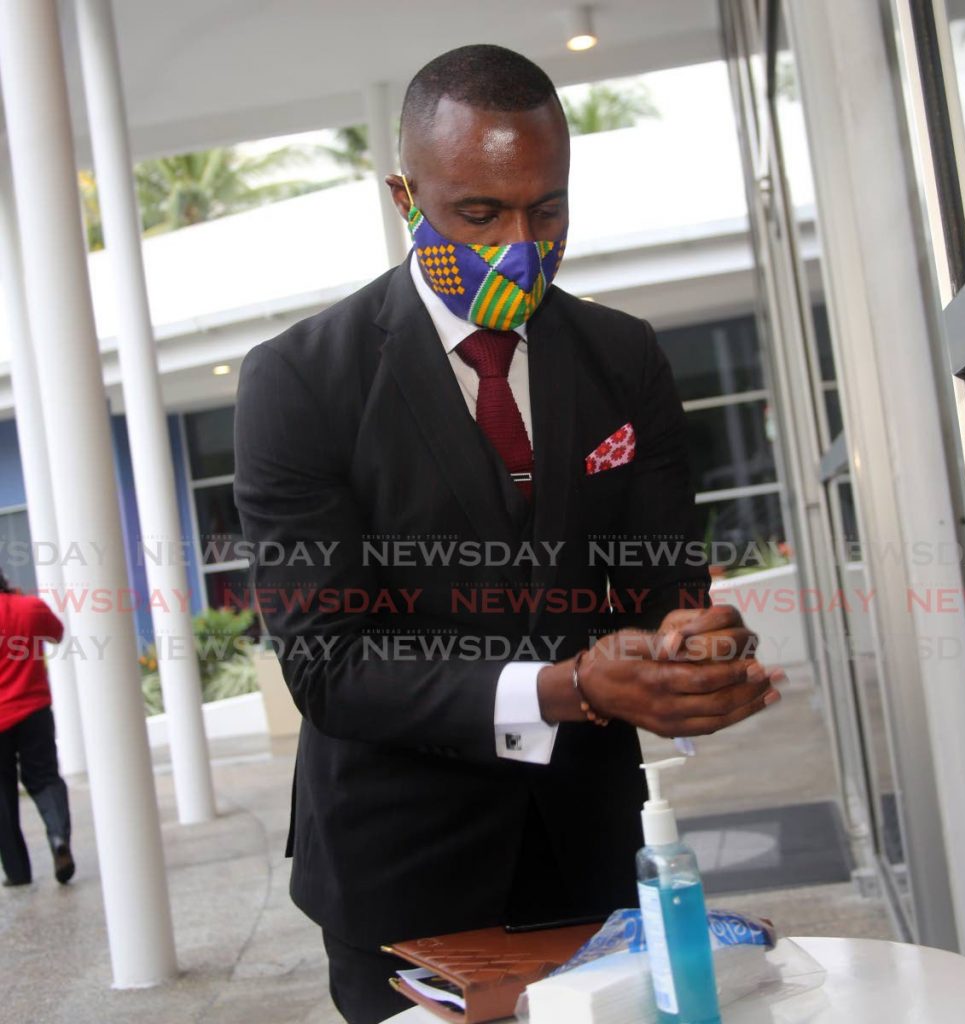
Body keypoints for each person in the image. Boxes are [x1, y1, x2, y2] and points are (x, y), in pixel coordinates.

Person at [233, 44, 782, 1024]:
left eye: (548, 208)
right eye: (479, 213)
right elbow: (327, 661)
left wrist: (692, 642)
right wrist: (566, 687)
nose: (519, 245)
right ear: (405, 193)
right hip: (401, 874)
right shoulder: (300, 382)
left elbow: (662, 569)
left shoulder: (623, 356)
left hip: (595, 850)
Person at [0, 568, 74, 887]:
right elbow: (56, 634)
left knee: (1, 794)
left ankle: (17, 872)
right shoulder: (30, 607)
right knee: (44, 777)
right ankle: (59, 838)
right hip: (34, 710)